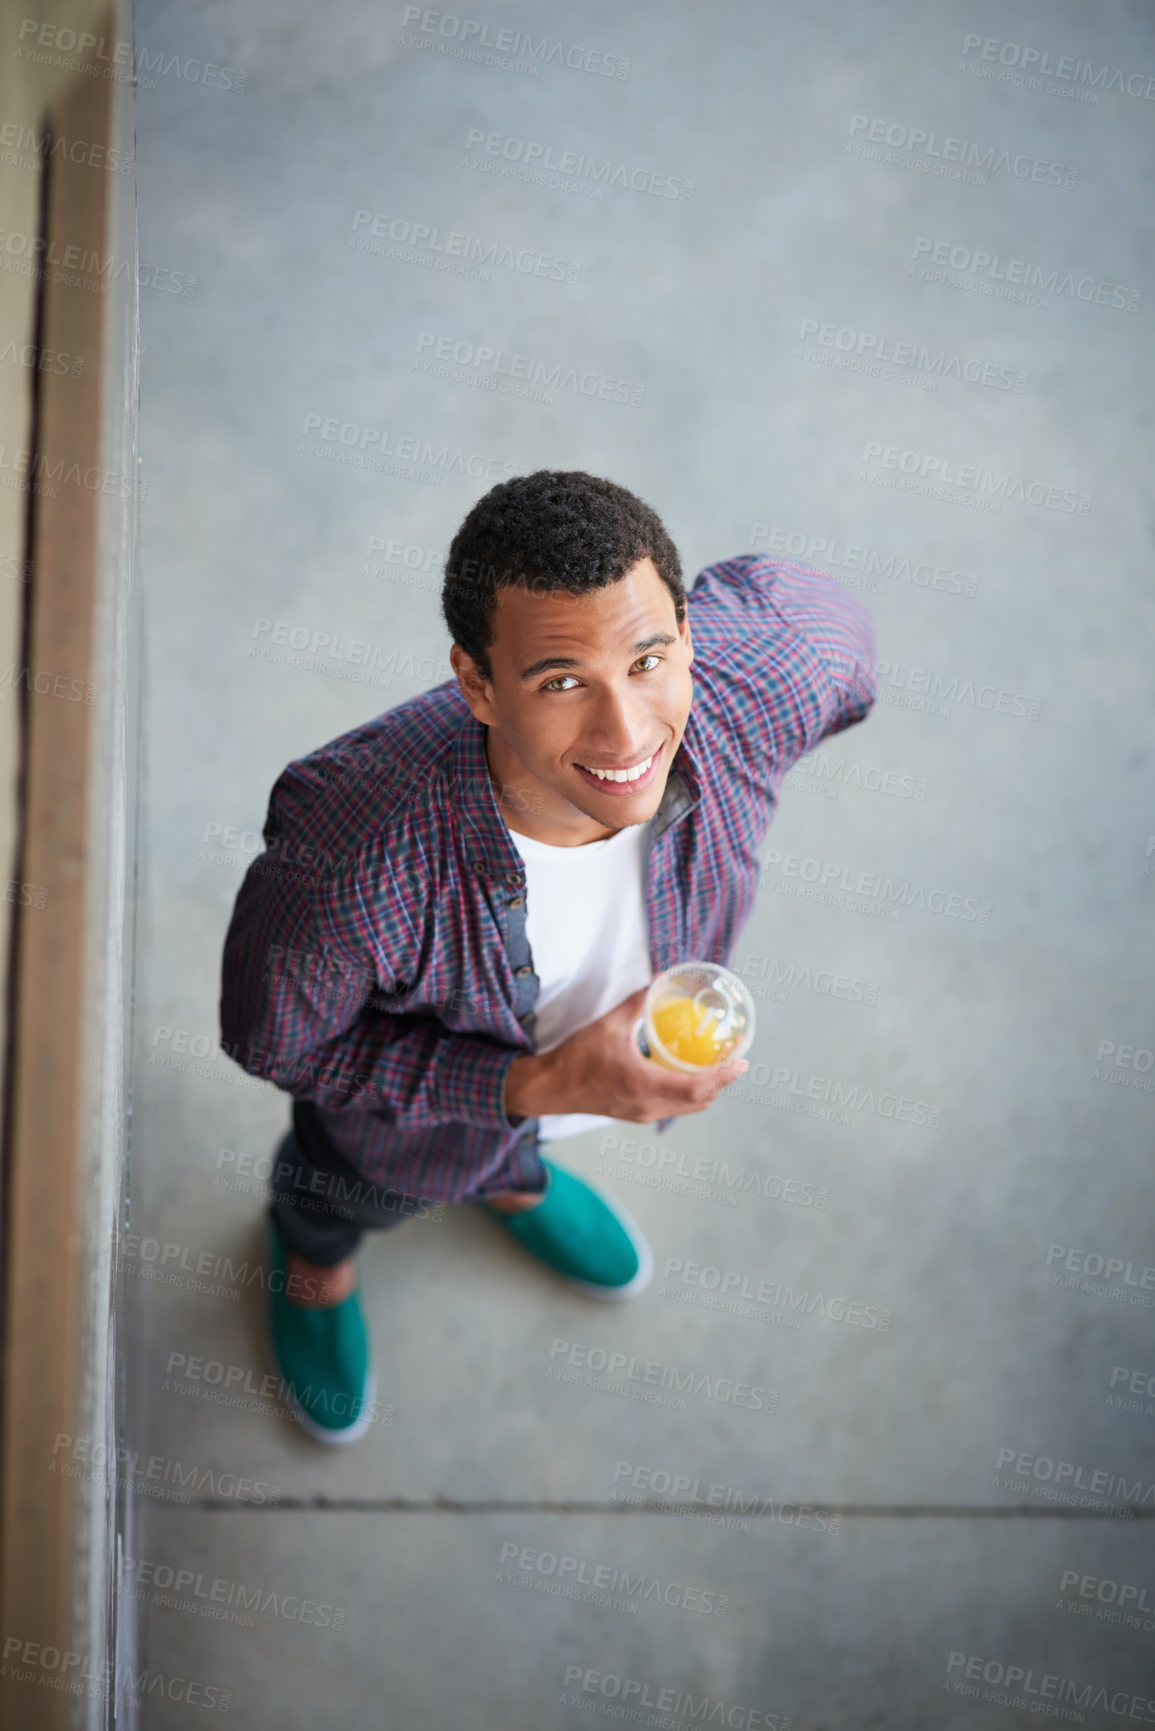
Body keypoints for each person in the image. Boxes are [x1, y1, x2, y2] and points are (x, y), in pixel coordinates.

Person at [219, 470, 878, 1443]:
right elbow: (278, 1047)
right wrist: (534, 1085)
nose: (627, 734)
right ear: (477, 685)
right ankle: (316, 1265)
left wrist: (558, 1106)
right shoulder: (350, 856)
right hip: (401, 1132)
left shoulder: (758, 681)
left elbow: (834, 641)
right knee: (341, 1188)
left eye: (649, 659)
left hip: (563, 1102)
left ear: (689, 634)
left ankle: (514, 1180)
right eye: (561, 681)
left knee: (515, 1156)